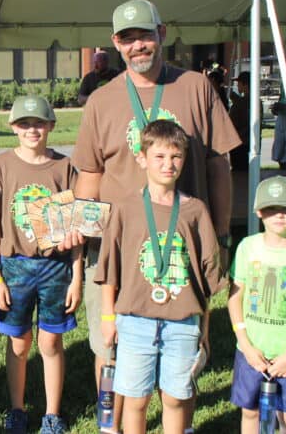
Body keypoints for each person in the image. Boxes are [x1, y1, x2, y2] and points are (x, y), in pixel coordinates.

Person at [67, 0, 240, 432]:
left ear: (162, 33)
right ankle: (114, 425)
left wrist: (218, 234)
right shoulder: (102, 101)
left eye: (145, 34)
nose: (137, 45)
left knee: (183, 362)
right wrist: (80, 242)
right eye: (127, 38)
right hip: (118, 252)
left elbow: (219, 165)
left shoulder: (197, 87)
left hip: (181, 251)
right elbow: (89, 174)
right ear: (115, 44)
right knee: (110, 352)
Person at [98, 120, 222, 434]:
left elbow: (206, 280)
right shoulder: (126, 208)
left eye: (176, 156)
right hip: (135, 319)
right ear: (142, 158)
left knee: (175, 398)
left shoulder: (195, 211)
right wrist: (107, 317)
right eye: (160, 157)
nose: (169, 164)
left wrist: (203, 329)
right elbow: (109, 268)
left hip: (182, 322)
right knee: (135, 399)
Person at [0, 95, 83, 434]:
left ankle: (52, 414)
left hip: (56, 267)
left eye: (39, 123)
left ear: (51, 126)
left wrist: (77, 277)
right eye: (24, 124)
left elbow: (77, 228)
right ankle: (17, 408)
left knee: (51, 342)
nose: (32, 130)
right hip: (14, 266)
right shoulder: (2, 166)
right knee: (19, 342)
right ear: (13, 127)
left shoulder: (65, 167)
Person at [227, 175, 286, 434]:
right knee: (251, 411)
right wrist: (246, 345)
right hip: (252, 353)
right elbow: (235, 297)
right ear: (258, 211)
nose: (279, 215)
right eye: (271, 209)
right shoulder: (247, 247)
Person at [228, 71, 256, 171]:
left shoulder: (250, 101)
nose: (237, 86)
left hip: (242, 143)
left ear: (245, 84)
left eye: (239, 83)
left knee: (240, 172)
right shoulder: (246, 100)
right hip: (241, 142)